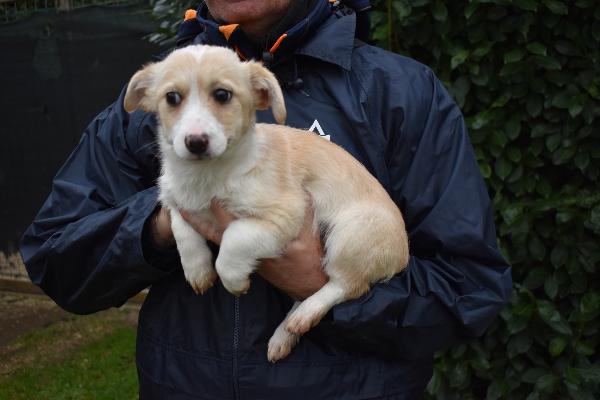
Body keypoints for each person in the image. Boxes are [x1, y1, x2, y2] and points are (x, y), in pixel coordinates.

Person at [20, 1, 512, 398]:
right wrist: (164, 227)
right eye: (175, 101)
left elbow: (466, 290)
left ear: (259, 98)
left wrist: (319, 284)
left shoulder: (400, 94)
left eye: (221, 96)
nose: (195, 120)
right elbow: (55, 258)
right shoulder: (148, 106)